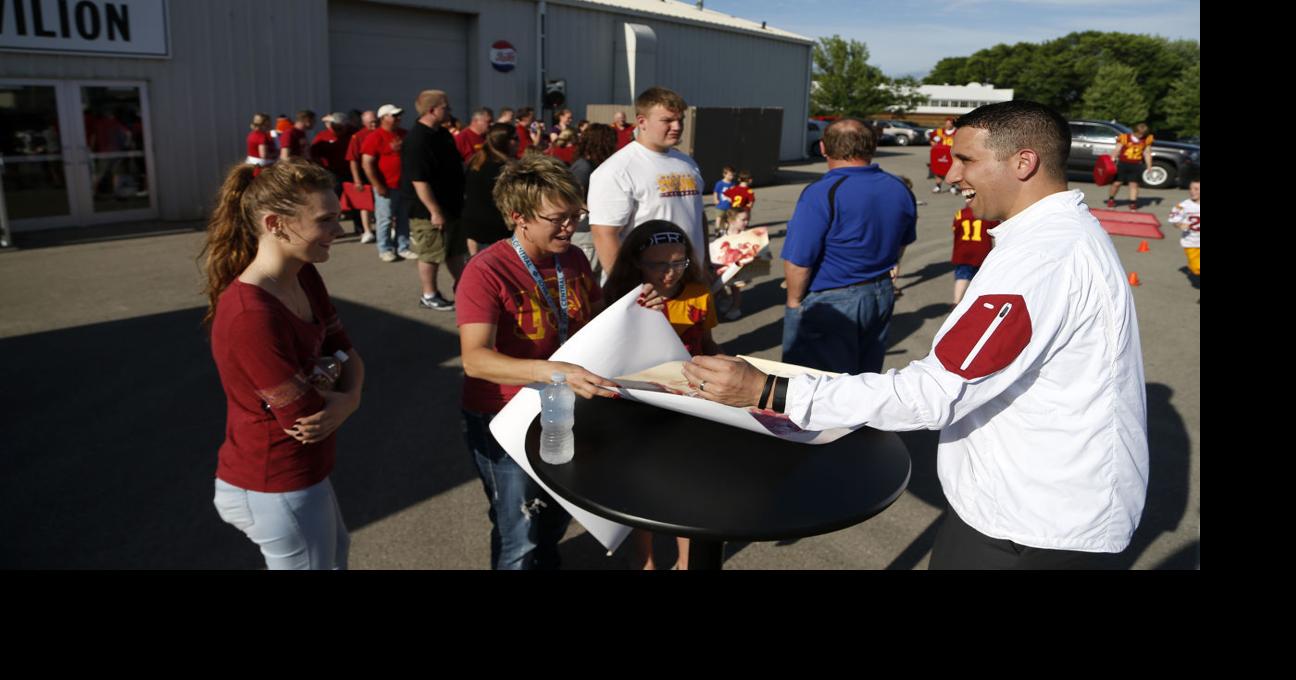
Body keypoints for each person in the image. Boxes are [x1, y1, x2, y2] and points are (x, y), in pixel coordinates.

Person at [682, 100, 1148, 570]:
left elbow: (937, 392)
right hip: (1017, 508)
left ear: (1023, 163)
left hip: (1032, 527)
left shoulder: (1044, 258)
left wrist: (768, 389)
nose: (951, 174)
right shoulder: (1050, 239)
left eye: (966, 159)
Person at [456, 154, 637, 570]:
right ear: (519, 217)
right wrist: (554, 371)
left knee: (555, 511)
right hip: (502, 414)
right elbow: (475, 360)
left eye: (575, 215)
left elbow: (593, 319)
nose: (571, 227)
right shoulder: (486, 271)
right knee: (519, 529)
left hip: (561, 406)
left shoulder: (570, 259)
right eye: (558, 218)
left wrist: (634, 309)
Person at [201, 158, 366, 570]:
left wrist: (348, 398)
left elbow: (347, 350)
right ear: (276, 224)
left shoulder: (305, 274)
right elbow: (305, 417)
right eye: (326, 220)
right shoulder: (249, 314)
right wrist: (338, 383)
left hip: (303, 475)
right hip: (274, 482)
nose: (340, 231)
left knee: (336, 557)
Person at [602, 220, 719, 569]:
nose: (670, 273)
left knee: (687, 487)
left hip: (692, 405)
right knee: (643, 489)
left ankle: (686, 561)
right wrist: (636, 314)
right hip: (640, 408)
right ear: (637, 262)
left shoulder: (698, 291)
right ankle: (646, 560)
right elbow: (608, 354)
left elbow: (708, 344)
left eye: (678, 262)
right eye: (658, 264)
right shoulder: (622, 299)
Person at [781, 118, 916, 375]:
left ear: (823, 148)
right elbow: (900, 245)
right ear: (872, 146)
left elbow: (799, 261)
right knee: (862, 381)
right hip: (880, 294)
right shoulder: (899, 188)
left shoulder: (822, 192)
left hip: (834, 300)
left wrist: (794, 303)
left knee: (815, 386)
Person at [589, 86, 710, 280]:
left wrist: (705, 264)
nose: (677, 127)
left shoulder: (687, 163)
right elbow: (604, 234)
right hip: (646, 287)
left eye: (680, 119)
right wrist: (627, 287)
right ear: (641, 121)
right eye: (667, 120)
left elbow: (698, 217)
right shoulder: (616, 170)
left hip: (689, 280)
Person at [403, 90, 467, 311]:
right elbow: (419, 180)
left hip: (452, 207)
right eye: (445, 107)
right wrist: (434, 210)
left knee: (455, 251)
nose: (449, 110)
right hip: (429, 211)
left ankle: (466, 291)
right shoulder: (417, 140)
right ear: (432, 110)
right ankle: (429, 295)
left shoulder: (442, 134)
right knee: (431, 253)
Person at [362, 104, 415, 262]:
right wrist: (377, 184)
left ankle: (403, 246)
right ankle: (384, 248)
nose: (398, 118)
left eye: (399, 115)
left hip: (403, 185)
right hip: (387, 186)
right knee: (385, 218)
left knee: (403, 217)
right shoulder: (375, 137)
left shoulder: (404, 134)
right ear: (383, 118)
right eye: (394, 115)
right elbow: (367, 163)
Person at [462, 122, 518, 255]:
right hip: (495, 227)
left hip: (474, 224)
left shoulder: (476, 160)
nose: (518, 142)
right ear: (505, 142)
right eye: (515, 138)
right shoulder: (503, 168)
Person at [568, 123, 617, 268]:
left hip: (592, 231)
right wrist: (595, 211)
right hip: (584, 235)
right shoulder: (584, 167)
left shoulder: (592, 165)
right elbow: (571, 197)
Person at [949, 199, 999, 305]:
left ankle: (956, 300)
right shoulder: (987, 214)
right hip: (981, 251)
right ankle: (977, 301)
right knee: (981, 278)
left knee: (962, 276)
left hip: (962, 251)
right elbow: (996, 231)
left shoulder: (960, 213)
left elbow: (955, 229)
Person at [345, 110, 379, 243]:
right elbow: (352, 159)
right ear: (364, 123)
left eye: (376, 121)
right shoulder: (358, 137)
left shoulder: (382, 133)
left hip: (381, 175)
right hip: (364, 175)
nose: (374, 124)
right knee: (365, 205)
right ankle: (368, 230)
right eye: (371, 122)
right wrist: (357, 179)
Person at [1106, 122, 1155, 210]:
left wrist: (1149, 166)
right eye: (1139, 134)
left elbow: (1147, 153)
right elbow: (1117, 149)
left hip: (1136, 164)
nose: (1141, 136)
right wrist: (1112, 159)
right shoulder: (1125, 138)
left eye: (1143, 134)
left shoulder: (1147, 139)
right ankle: (1111, 199)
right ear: (1134, 132)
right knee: (1117, 183)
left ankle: (1133, 202)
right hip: (1122, 164)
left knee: (1134, 184)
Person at [1168, 179, 1200, 285]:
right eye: (1190, 188)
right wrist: (1179, 225)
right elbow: (1174, 220)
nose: (1192, 191)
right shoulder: (1183, 206)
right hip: (1192, 242)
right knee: (1197, 268)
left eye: (1196, 189)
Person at [310, 112, 352, 186]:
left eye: (341, 127)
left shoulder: (352, 134)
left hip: (349, 172)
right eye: (336, 127)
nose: (338, 130)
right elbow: (314, 154)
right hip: (331, 172)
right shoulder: (322, 136)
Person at [929, 117, 958, 194]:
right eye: (946, 123)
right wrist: (933, 143)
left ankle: (953, 187)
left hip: (952, 156)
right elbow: (931, 140)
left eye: (950, 123)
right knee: (938, 171)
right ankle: (938, 186)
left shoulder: (957, 132)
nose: (947, 124)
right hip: (940, 155)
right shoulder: (939, 132)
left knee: (952, 171)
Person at [712, 165, 736, 236]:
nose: (732, 177)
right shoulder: (720, 183)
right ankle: (717, 230)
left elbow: (734, 194)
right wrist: (715, 199)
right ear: (724, 174)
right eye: (730, 175)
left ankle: (725, 231)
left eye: (733, 175)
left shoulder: (733, 184)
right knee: (719, 217)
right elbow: (715, 192)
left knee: (727, 219)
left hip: (729, 206)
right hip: (720, 205)